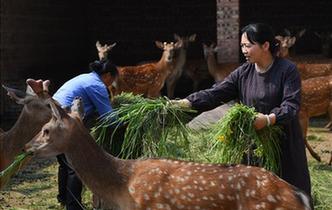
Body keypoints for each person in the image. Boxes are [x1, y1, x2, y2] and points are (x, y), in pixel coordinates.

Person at [173, 23, 312, 199]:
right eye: (242, 46)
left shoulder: (287, 70)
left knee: (289, 196)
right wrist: (185, 103)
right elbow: (216, 93)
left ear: (265, 46)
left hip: (283, 143)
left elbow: (291, 105)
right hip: (253, 145)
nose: (244, 50)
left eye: (248, 45)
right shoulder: (243, 73)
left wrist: (269, 120)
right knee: (256, 195)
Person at [52, 59, 118, 210]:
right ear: (108, 75)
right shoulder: (97, 85)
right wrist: (125, 122)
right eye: (113, 79)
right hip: (66, 121)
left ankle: (63, 198)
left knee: (64, 163)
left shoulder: (85, 78)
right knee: (76, 166)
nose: (111, 84)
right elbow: (109, 117)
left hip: (53, 118)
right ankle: (73, 206)